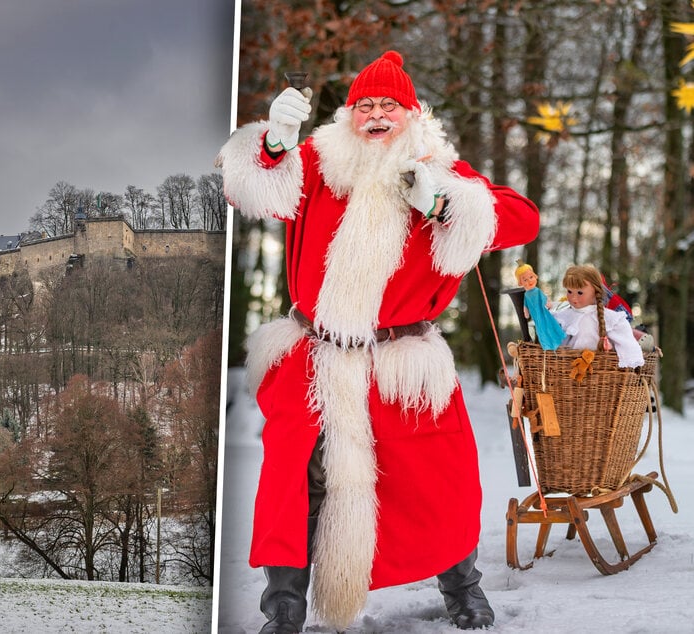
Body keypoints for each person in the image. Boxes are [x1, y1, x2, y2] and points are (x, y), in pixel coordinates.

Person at [218, 51, 539, 632]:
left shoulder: (437, 167)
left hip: (402, 363)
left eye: (388, 104)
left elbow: (522, 219)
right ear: (348, 113)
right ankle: (284, 609)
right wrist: (273, 141)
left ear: (411, 112)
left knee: (437, 479)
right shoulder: (315, 160)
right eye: (364, 104)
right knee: (293, 484)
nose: (375, 114)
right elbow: (247, 192)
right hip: (313, 357)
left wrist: (443, 203)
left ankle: (462, 587)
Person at [554, 264, 644, 368]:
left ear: (595, 292)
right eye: (569, 291)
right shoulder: (563, 316)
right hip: (567, 368)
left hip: (600, 369)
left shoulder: (610, 318)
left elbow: (626, 341)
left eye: (580, 293)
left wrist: (630, 358)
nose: (573, 297)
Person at [514, 260, 566, 350]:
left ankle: (556, 341)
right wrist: (526, 311)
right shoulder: (526, 294)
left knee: (549, 325)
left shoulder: (537, 291)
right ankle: (547, 345)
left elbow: (544, 299)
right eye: (525, 279)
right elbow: (525, 304)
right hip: (536, 316)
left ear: (535, 276)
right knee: (541, 330)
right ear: (520, 283)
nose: (529, 281)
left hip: (543, 312)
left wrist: (547, 303)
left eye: (531, 277)